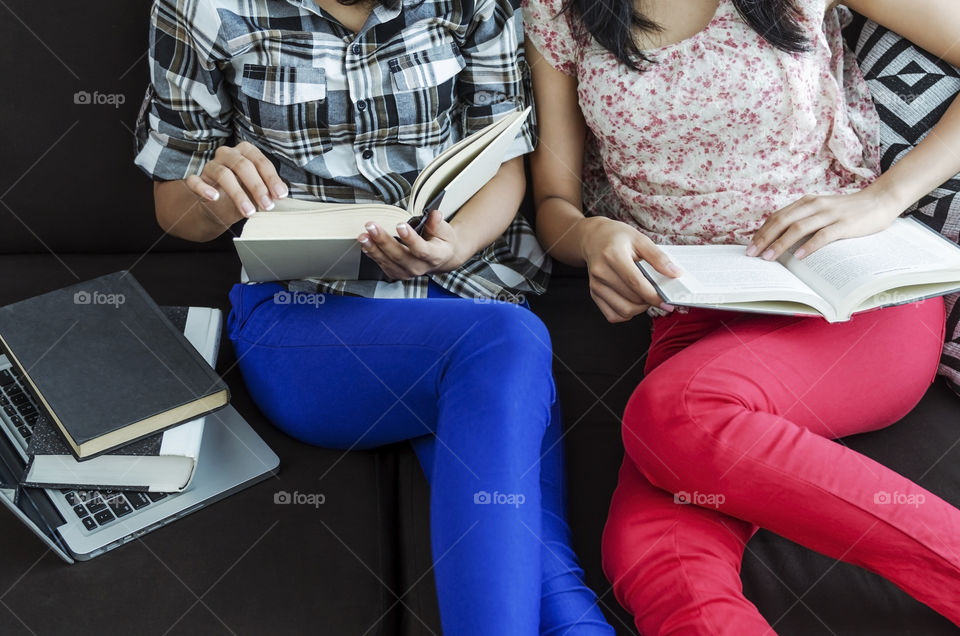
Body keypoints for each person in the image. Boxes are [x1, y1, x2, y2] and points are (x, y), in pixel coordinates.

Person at [134, 0, 615, 633]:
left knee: (553, 582)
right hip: (308, 319)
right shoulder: (203, 9)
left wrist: (456, 244)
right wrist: (220, 201)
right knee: (508, 339)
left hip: (464, 292)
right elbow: (174, 200)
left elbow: (505, 164)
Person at [523, 0, 960, 632]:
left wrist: (884, 198)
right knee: (653, 552)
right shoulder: (559, 10)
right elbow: (554, 201)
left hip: (850, 295)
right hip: (698, 311)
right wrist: (593, 238)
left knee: (674, 413)